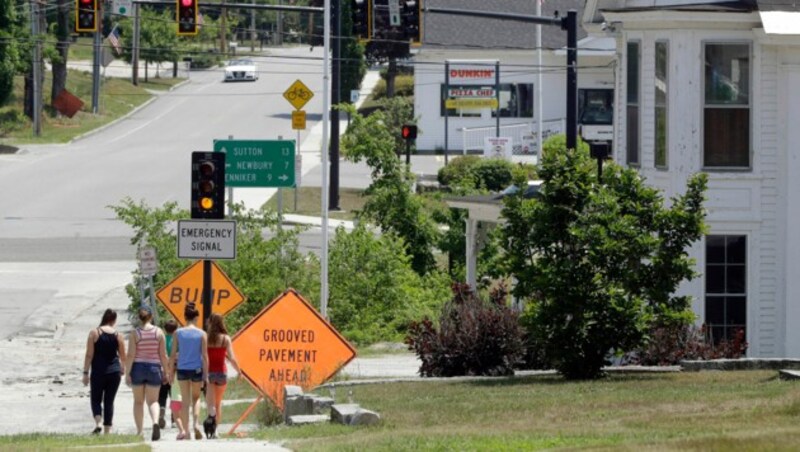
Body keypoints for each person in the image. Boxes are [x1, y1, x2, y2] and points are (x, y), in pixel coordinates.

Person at [125, 306, 169, 441]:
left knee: (138, 402)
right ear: (151, 317)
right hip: (154, 368)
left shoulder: (135, 333)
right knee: (153, 401)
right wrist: (166, 372)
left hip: (138, 368)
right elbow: (163, 355)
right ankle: (155, 422)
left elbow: (131, 354)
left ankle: (139, 432)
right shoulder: (159, 332)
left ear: (139, 317)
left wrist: (127, 373)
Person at [82, 309, 126, 435]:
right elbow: (123, 356)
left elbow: (89, 355)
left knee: (96, 399)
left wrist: (85, 373)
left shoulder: (94, 333)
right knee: (109, 401)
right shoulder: (118, 335)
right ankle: (107, 431)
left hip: (98, 372)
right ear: (114, 320)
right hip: (114, 372)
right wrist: (123, 368)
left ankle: (98, 423)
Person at [170, 303, 208, 440]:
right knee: (196, 397)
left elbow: (173, 354)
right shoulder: (202, 334)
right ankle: (196, 423)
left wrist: (170, 373)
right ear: (197, 317)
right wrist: (205, 374)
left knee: (185, 401)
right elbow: (204, 356)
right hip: (196, 369)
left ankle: (186, 432)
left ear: (185, 317)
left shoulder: (178, 333)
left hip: (182, 369)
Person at [203, 313, 241, 438]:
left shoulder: (205, 338)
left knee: (210, 404)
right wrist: (239, 371)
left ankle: (214, 429)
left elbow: (202, 356)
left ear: (210, 323)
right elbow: (232, 358)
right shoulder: (225, 339)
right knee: (218, 403)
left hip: (209, 373)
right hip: (221, 373)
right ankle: (216, 429)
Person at [157, 319, 179, 429]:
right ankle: (174, 419)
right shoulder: (178, 340)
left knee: (162, 395)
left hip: (163, 370)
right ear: (176, 329)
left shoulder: (162, 339)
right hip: (174, 370)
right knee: (174, 395)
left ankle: (161, 412)